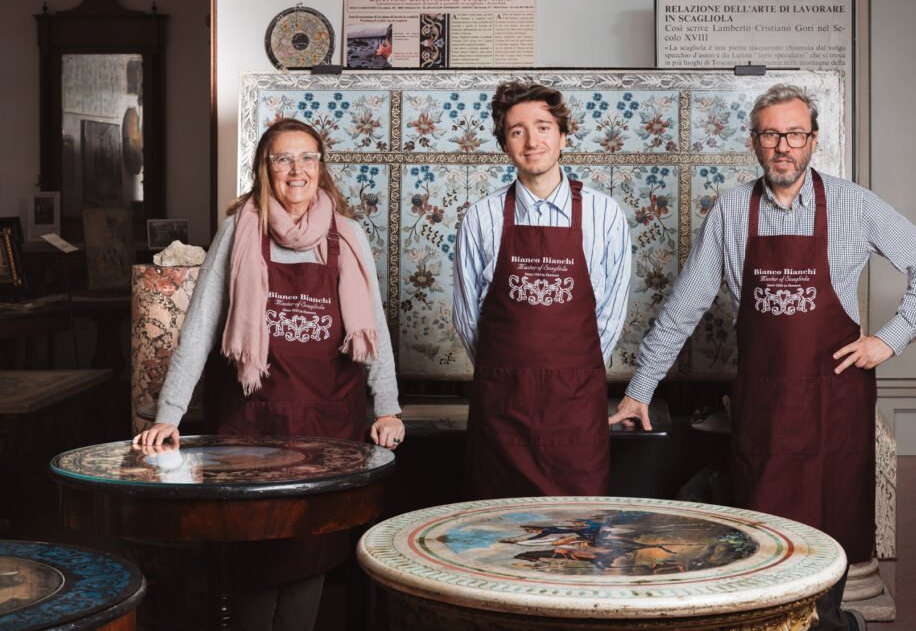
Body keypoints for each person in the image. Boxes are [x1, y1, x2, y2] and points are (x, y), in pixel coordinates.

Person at [610, 84, 916, 631]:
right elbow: (684, 307)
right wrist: (639, 388)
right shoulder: (730, 211)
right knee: (763, 534)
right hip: (766, 405)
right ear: (754, 142)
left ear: (813, 140)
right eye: (771, 134)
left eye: (794, 134)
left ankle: (834, 624)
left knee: (832, 526)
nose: (783, 146)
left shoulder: (854, 205)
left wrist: (890, 338)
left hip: (835, 402)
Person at [133, 118, 403, 630]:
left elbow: (376, 332)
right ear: (266, 168)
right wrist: (169, 415)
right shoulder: (239, 230)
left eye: (307, 158)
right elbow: (200, 325)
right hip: (251, 422)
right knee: (251, 550)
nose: (296, 169)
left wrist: (386, 406)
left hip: (327, 423)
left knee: (311, 549)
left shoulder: (348, 236)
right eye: (283, 159)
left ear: (321, 169)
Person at [453, 80, 631, 499]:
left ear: (563, 136)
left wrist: (570, 373)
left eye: (543, 127)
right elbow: (466, 319)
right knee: (497, 540)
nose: (532, 140)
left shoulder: (605, 215)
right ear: (505, 145)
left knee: (578, 539)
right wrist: (506, 372)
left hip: (576, 412)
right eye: (517, 131)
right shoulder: (480, 217)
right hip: (501, 412)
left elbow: (609, 316)